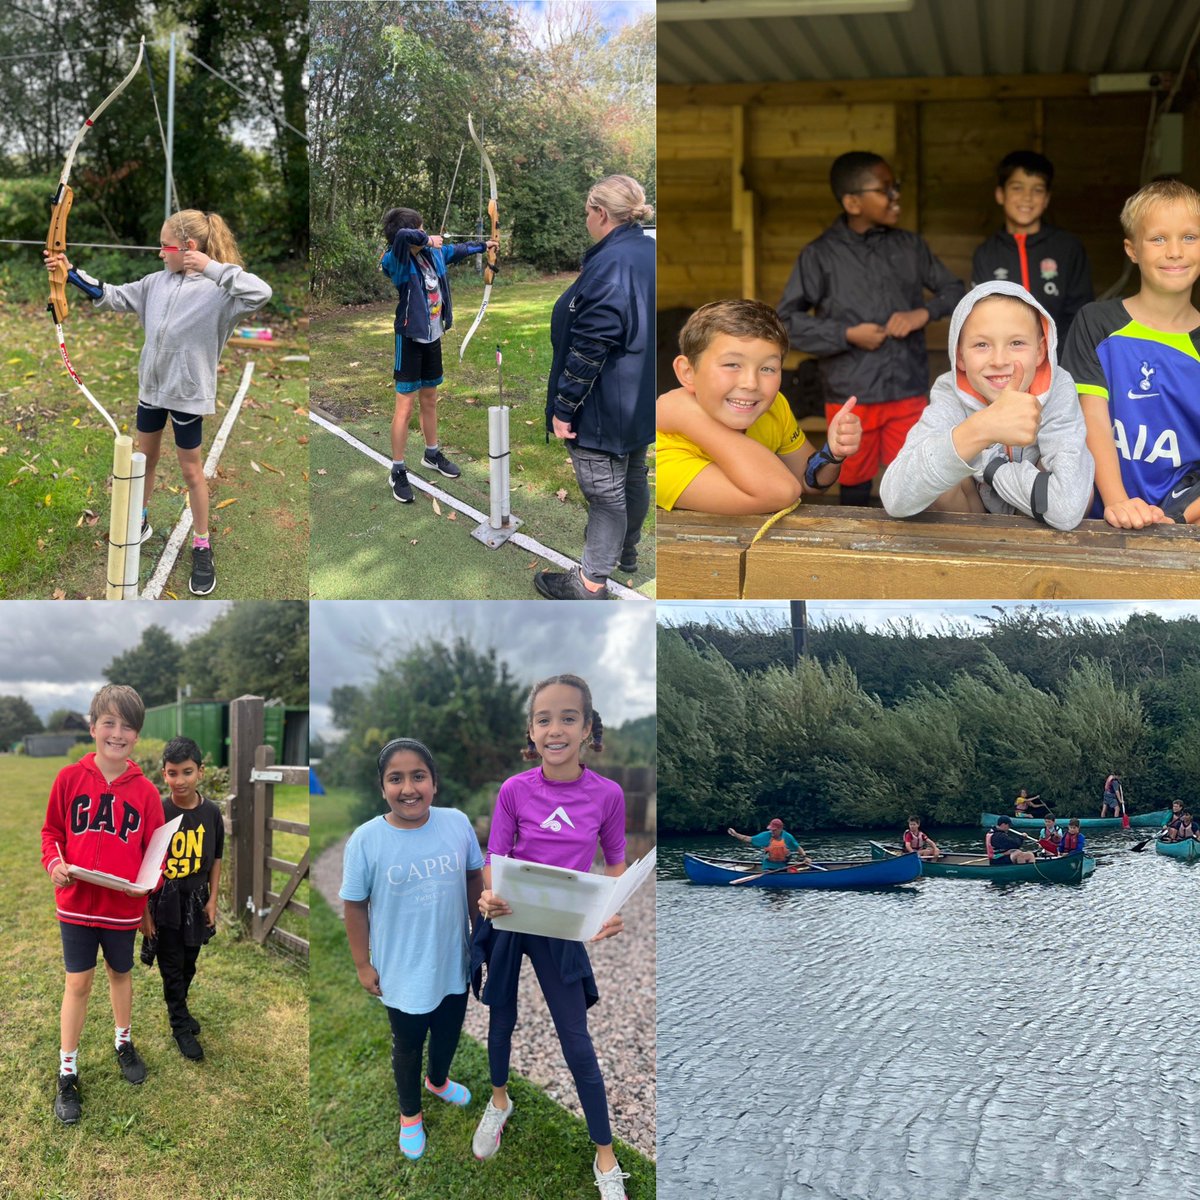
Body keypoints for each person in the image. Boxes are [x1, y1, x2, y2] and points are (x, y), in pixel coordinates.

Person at [45, 211, 272, 596]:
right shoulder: (155, 283)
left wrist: (213, 268)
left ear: (189, 249)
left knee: (191, 472)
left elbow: (260, 293)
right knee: (143, 461)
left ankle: (202, 543)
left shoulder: (222, 292)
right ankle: (141, 519)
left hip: (187, 394)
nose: (158, 251)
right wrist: (69, 272)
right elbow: (113, 295)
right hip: (151, 389)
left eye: (164, 245)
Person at [472, 674, 631, 1199]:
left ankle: (605, 1156)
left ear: (587, 728)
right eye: (545, 719)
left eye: (568, 718)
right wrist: (488, 896)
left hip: (563, 931)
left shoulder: (607, 795)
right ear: (531, 730)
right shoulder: (514, 790)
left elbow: (615, 865)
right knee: (502, 1017)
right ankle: (499, 1102)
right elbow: (494, 860)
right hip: (513, 920)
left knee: (576, 1041)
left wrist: (611, 911)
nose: (555, 729)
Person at [777, 151, 965, 505]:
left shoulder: (910, 246)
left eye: (896, 187)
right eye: (885, 190)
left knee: (913, 481)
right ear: (852, 202)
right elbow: (786, 321)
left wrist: (922, 314)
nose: (896, 197)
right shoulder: (820, 255)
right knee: (853, 483)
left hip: (907, 388)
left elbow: (955, 290)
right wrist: (846, 334)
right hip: (851, 392)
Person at [339, 738, 484, 1161]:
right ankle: (410, 1115)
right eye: (395, 778)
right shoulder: (367, 840)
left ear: (434, 783)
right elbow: (354, 906)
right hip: (402, 970)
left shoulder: (456, 823)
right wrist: (363, 963)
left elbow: (475, 878)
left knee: (449, 1032)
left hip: (454, 962)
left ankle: (438, 1081)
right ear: (382, 787)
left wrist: (481, 934)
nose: (408, 788)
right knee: (407, 1045)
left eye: (418, 776)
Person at [39, 684, 165, 1124]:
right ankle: (67, 1070)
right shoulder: (69, 779)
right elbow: (51, 832)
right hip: (75, 905)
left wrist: (147, 885)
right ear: (93, 727)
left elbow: (156, 852)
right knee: (78, 984)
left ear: (136, 736)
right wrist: (55, 863)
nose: (117, 733)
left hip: (121, 910)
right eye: (108, 723)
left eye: (127, 726)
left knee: (120, 973)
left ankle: (123, 1041)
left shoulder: (146, 793)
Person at [879, 281, 1093, 529]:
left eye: (1016, 343)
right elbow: (896, 499)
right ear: (960, 356)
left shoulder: (1058, 387)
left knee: (1079, 482)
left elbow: (1065, 510)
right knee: (939, 474)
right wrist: (980, 429)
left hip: (1037, 523)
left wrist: (989, 467)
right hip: (974, 518)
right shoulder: (950, 391)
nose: (999, 360)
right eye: (981, 345)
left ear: (1040, 351)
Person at [536, 176, 656, 600]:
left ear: (600, 213)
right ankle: (625, 551)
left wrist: (564, 407)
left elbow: (590, 348)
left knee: (605, 493)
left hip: (605, 405)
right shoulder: (645, 250)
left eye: (587, 212)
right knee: (634, 476)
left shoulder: (613, 264)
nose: (586, 219)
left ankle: (590, 584)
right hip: (639, 400)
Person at [1061, 179, 1200, 529]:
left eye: (1189, 237)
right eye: (1158, 238)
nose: (1175, 251)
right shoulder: (1096, 322)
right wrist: (1119, 502)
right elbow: (1090, 419)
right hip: (1099, 515)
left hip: (1185, 517)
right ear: (1132, 249)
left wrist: (1180, 516)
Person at [656, 299, 862, 513]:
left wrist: (833, 454)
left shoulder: (773, 407)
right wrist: (689, 419)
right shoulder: (658, 451)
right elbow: (782, 492)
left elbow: (807, 480)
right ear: (687, 372)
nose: (751, 383)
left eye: (768, 368)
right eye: (732, 365)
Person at [378, 206, 498, 503]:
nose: (426, 230)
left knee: (430, 398)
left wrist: (485, 245)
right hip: (409, 338)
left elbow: (456, 249)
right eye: (422, 227)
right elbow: (405, 236)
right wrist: (427, 238)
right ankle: (397, 469)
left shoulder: (433, 255)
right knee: (404, 409)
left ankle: (431, 454)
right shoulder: (396, 259)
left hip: (433, 336)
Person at [140, 736, 222, 1061]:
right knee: (171, 967)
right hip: (165, 901)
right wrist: (144, 911)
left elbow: (216, 858)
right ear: (164, 774)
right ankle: (179, 1026)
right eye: (173, 773)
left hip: (196, 900)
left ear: (200, 771)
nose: (180, 780)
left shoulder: (212, 813)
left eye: (187, 772)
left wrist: (213, 898)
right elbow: (144, 862)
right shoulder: (158, 811)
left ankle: (181, 1009)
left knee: (189, 963)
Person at [971, 150, 1094, 343]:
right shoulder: (986, 253)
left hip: (1058, 361)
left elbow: (1080, 312)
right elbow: (980, 316)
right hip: (1004, 362)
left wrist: (1058, 359)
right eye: (1017, 188)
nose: (1027, 197)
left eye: (1037, 190)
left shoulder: (1068, 248)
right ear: (1000, 194)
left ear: (1046, 199)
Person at [727, 817, 814, 871]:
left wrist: (805, 857)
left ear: (780, 829)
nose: (772, 831)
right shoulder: (765, 836)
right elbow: (748, 839)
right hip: (768, 868)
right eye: (771, 829)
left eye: (774, 830)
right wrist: (735, 834)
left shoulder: (788, 837)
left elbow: (798, 847)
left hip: (782, 867)